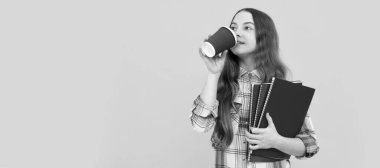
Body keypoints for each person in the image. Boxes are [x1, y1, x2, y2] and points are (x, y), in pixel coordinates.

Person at [189, 8, 319, 168]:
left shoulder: (282, 88)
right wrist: (213, 74)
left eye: (247, 27)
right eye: (233, 27)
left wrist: (277, 141)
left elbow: (310, 144)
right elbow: (199, 125)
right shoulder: (223, 85)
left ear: (264, 37)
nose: (237, 33)